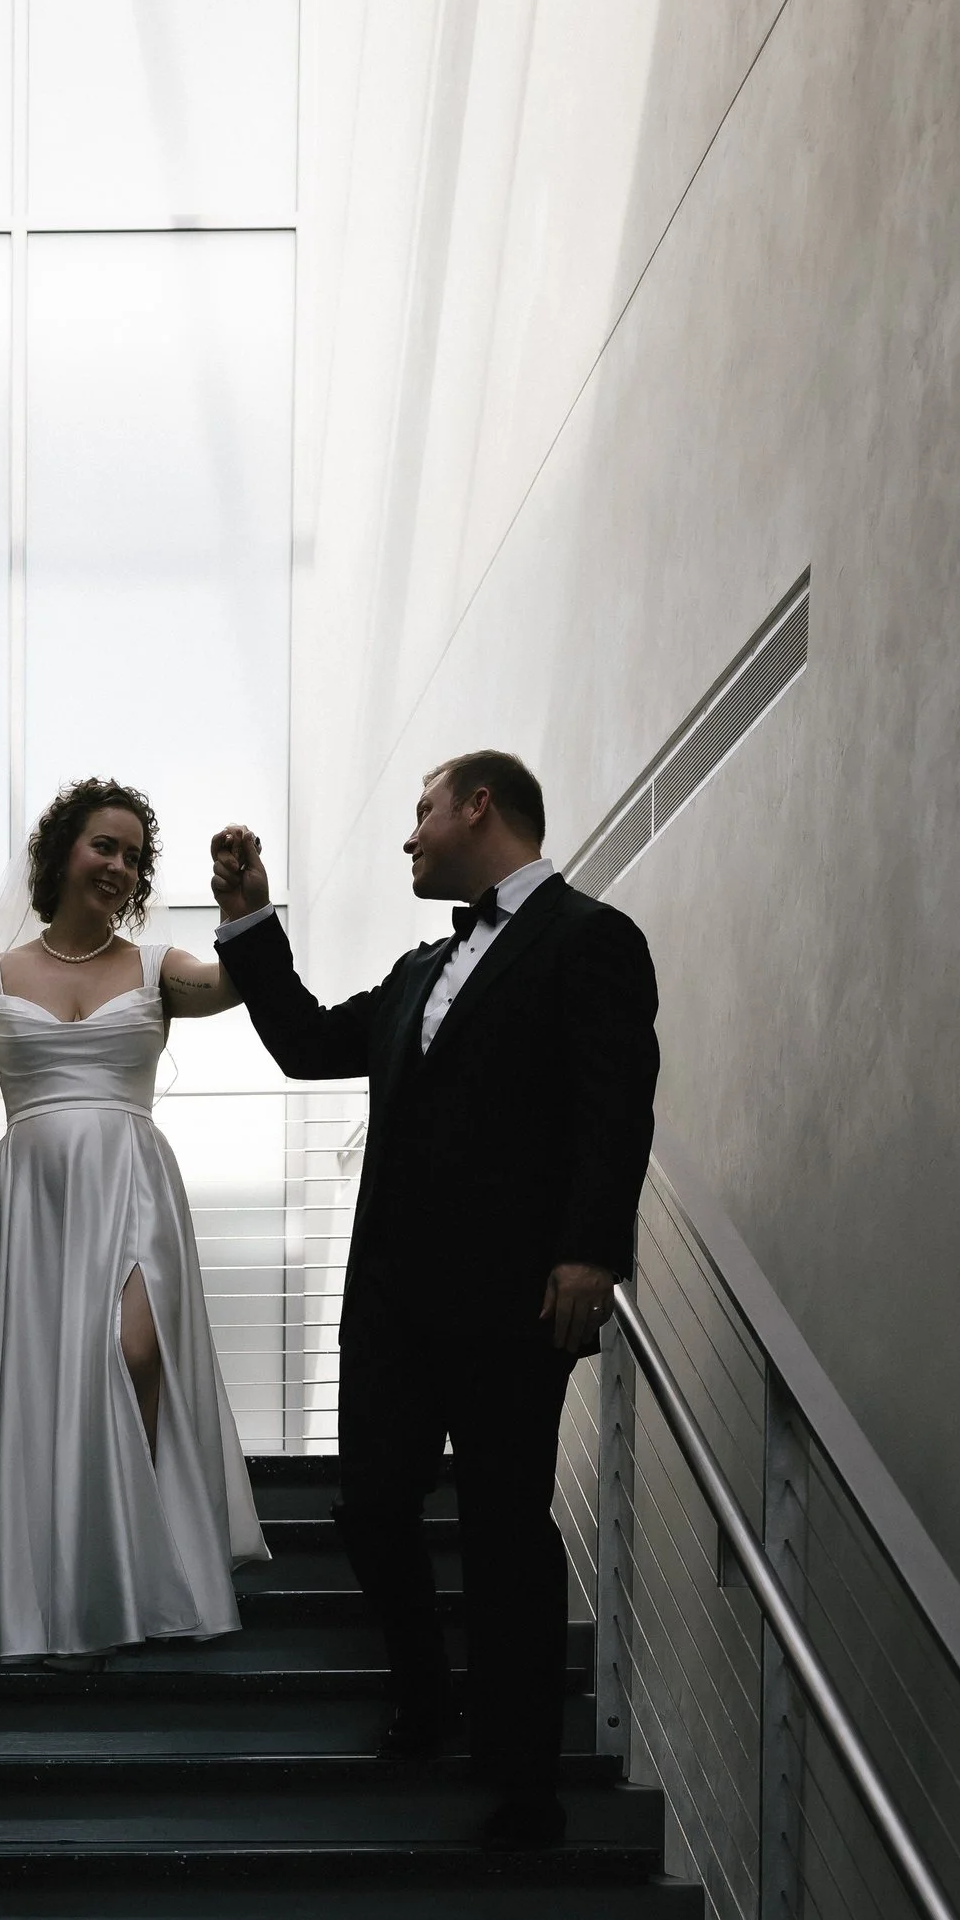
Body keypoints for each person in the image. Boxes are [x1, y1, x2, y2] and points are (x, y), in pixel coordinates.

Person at [210, 756, 659, 1847]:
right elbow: (311, 1043)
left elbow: (615, 1103)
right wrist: (247, 918)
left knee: (505, 1525)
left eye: (420, 812)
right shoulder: (420, 969)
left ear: (478, 807)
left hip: (515, 1300)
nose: (407, 838)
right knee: (370, 1502)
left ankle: (522, 1784)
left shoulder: (591, 939)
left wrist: (591, 1253)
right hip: (394, 1303)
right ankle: (424, 1690)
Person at [0, 777, 267, 1664]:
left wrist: (248, 909)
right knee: (48, 1379)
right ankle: (64, 1578)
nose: (120, 867)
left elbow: (235, 984)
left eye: (132, 855)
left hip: (131, 1182)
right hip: (33, 1198)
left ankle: (143, 1559)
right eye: (105, 847)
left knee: (137, 1351)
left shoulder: (156, 967)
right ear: (61, 854)